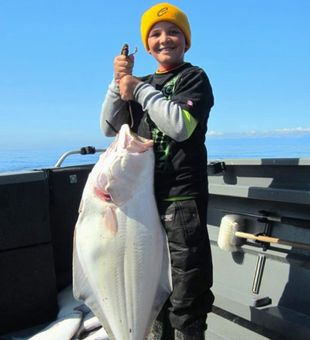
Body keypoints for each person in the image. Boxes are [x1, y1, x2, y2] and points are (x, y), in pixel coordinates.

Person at [100, 2, 214, 339]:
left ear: (186, 41)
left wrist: (137, 89)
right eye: (156, 34)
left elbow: (180, 126)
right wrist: (117, 83)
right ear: (146, 45)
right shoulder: (142, 83)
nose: (165, 39)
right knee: (151, 290)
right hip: (144, 206)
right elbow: (109, 126)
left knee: (186, 296)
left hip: (181, 204)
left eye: (173, 32)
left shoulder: (194, 78)